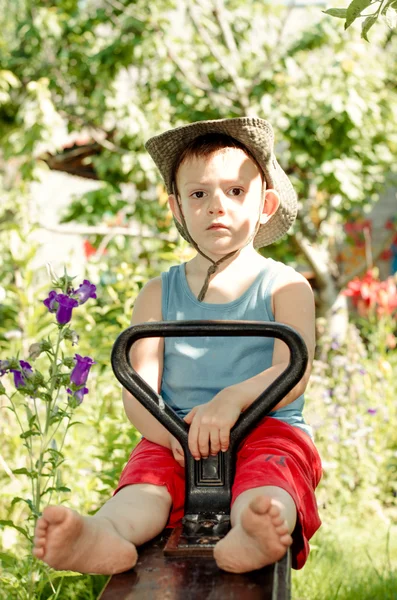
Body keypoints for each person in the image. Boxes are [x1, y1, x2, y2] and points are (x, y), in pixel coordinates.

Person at [33, 117, 322, 575]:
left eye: (235, 191)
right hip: (176, 431)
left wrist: (233, 400)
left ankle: (256, 530)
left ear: (265, 203)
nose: (216, 207)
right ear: (177, 208)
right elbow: (139, 390)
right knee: (146, 485)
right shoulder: (157, 294)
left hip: (267, 425)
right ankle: (105, 534)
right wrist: (174, 436)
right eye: (199, 194)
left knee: (271, 479)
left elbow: (293, 370)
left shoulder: (285, 287)